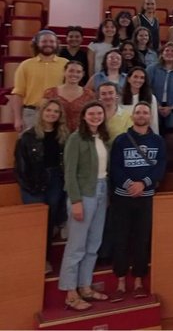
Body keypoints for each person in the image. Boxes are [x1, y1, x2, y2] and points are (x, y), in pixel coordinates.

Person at [108, 102, 167, 302]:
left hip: (146, 197)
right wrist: (128, 185)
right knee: (121, 238)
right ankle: (121, 282)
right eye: (138, 112)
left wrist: (143, 184)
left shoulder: (158, 141)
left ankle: (139, 282)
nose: (141, 115)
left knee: (142, 239)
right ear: (132, 116)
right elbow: (114, 167)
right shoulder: (121, 140)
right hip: (122, 198)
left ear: (150, 117)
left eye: (145, 112)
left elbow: (160, 167)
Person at [58, 101, 111, 311]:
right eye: (92, 113)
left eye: (99, 113)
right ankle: (70, 293)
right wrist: (76, 201)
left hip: (101, 190)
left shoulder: (103, 138)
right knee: (76, 246)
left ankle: (85, 287)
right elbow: (69, 173)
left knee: (93, 244)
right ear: (84, 116)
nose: (96, 116)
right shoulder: (75, 138)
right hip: (83, 194)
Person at [14, 99, 70, 274]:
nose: (51, 114)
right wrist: (30, 187)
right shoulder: (27, 136)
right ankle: (33, 259)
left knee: (49, 222)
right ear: (42, 112)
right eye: (49, 110)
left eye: (56, 112)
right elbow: (20, 167)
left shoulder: (64, 135)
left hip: (55, 181)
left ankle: (45, 258)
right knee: (35, 222)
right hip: (33, 182)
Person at [12, 30, 69, 132]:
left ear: (56, 44)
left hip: (56, 114)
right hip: (31, 113)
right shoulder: (25, 65)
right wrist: (17, 119)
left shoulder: (65, 64)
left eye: (52, 41)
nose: (48, 44)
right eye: (44, 41)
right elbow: (18, 93)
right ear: (37, 44)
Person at [43, 61, 95, 132]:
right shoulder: (50, 93)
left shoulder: (89, 94)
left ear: (83, 74)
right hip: (55, 135)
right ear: (64, 72)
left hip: (80, 135)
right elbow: (42, 116)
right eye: (71, 71)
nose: (74, 74)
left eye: (78, 72)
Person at [121, 66, 160, 134]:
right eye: (135, 77)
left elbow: (154, 122)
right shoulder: (119, 97)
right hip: (124, 135)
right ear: (128, 79)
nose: (138, 80)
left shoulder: (151, 98)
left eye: (142, 78)